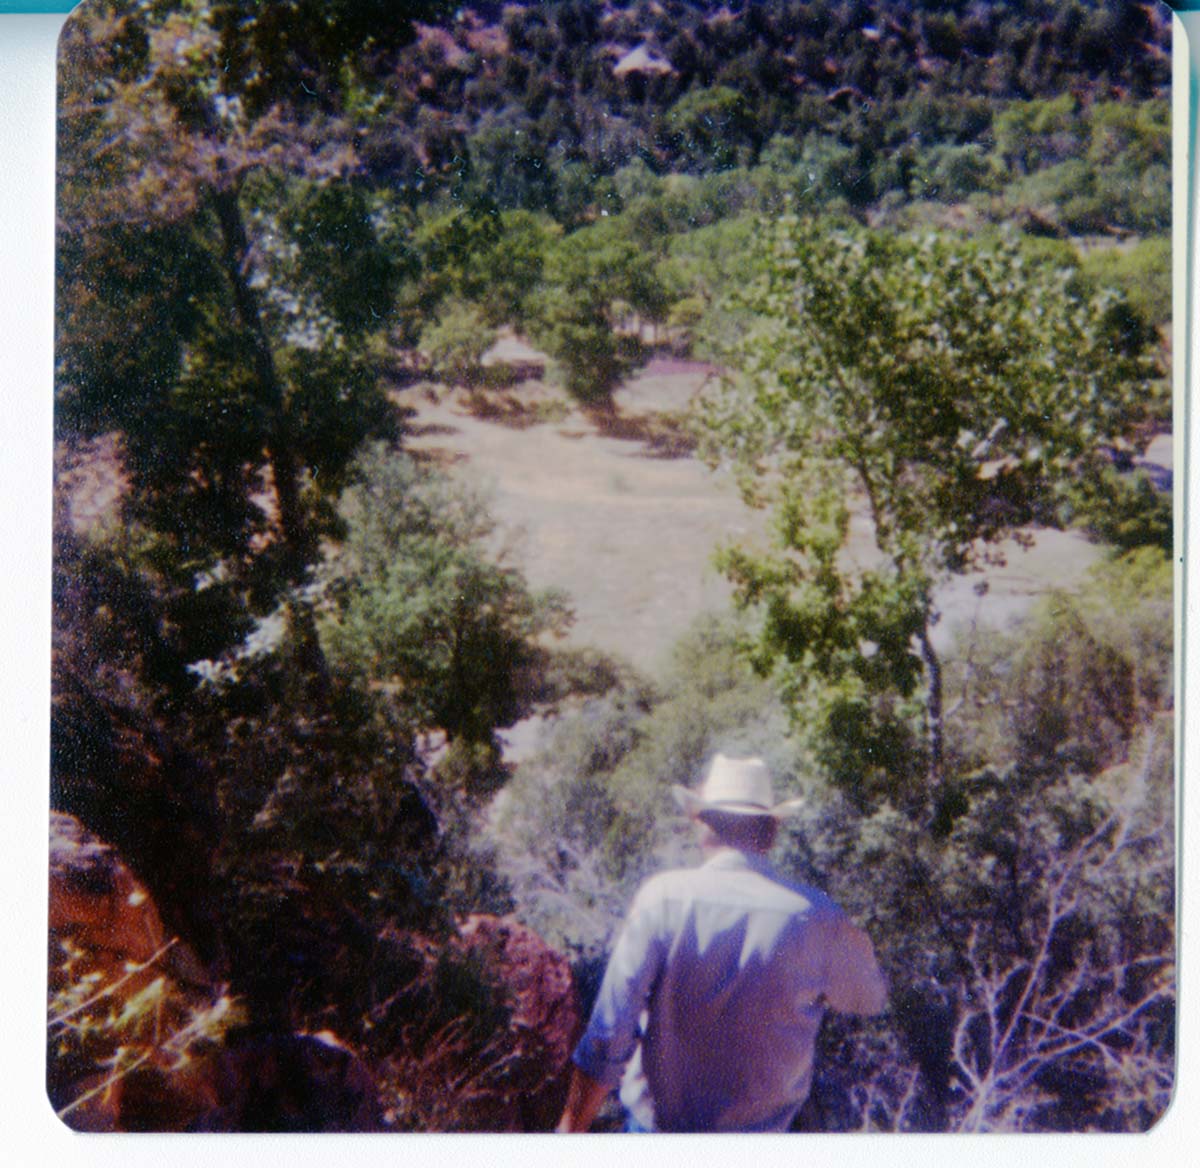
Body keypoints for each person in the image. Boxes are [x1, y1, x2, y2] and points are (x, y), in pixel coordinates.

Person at [556, 753, 887, 1133]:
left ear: (703, 824)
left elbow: (608, 1036)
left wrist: (569, 1133)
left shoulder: (663, 899)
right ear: (771, 831)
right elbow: (869, 998)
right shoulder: (818, 917)